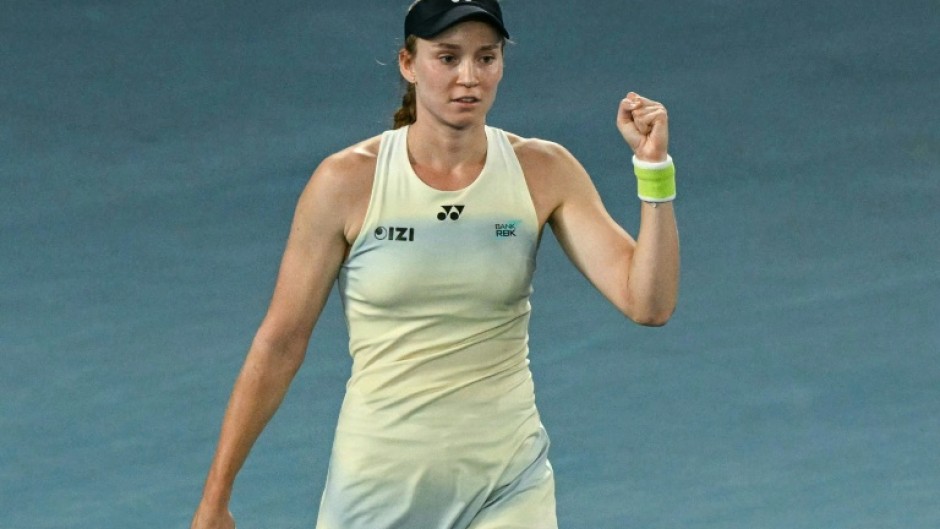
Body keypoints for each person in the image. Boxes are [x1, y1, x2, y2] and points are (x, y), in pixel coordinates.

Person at [190, 0, 679, 527]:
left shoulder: (544, 169)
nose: (468, 77)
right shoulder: (345, 182)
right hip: (379, 490)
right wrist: (216, 497)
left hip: (509, 484)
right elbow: (280, 342)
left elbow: (647, 302)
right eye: (447, 58)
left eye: (485, 58)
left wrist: (654, 171)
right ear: (408, 63)